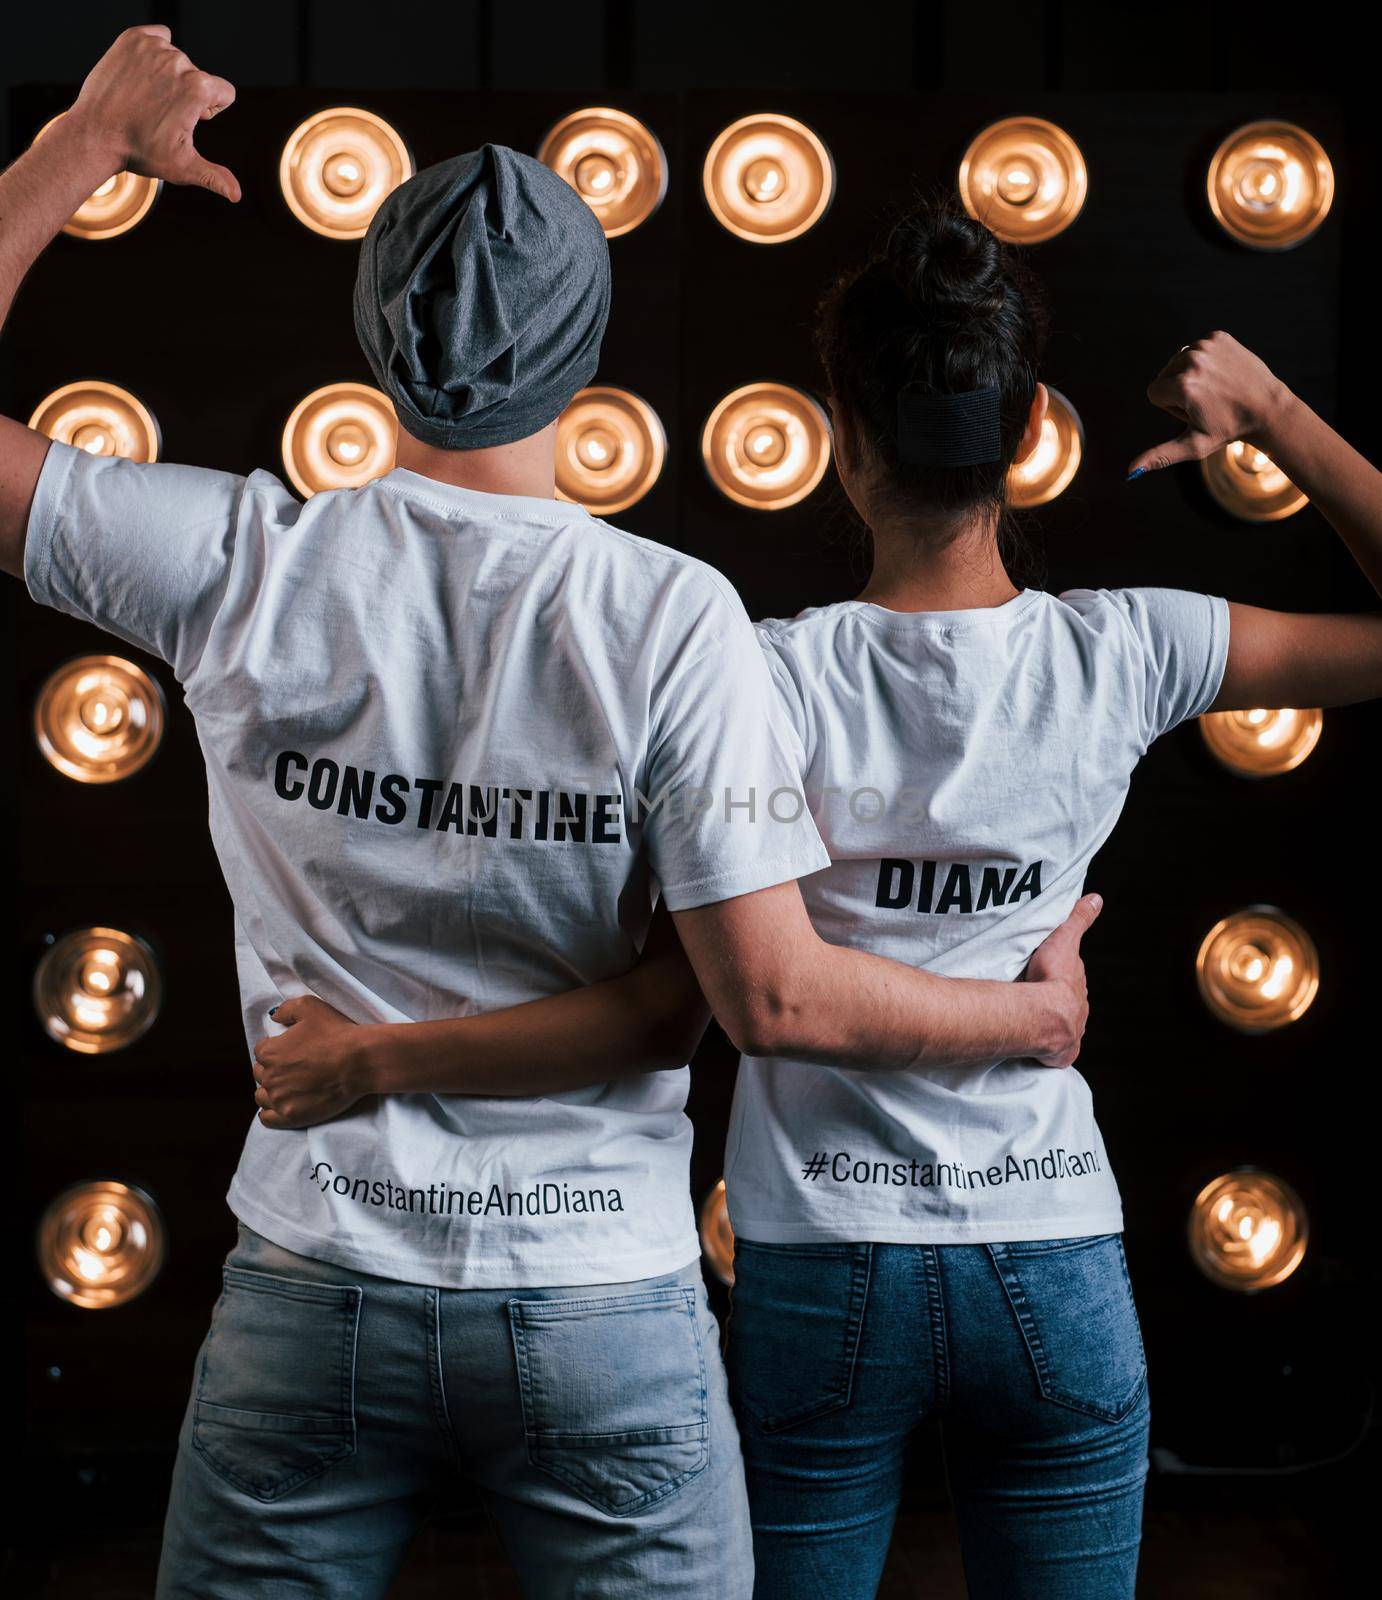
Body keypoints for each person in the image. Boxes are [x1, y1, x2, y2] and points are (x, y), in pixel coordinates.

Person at [0, 30, 1100, 1600]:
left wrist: (82, 143)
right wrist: (1031, 1021)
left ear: (374, 336)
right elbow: (764, 996)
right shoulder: (671, 617)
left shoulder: (240, 561)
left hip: (315, 1277)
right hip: (598, 1300)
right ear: (586, 358)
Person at [262, 204, 1382, 1599]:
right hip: (1051, 1248)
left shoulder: (753, 671)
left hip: (819, 1260)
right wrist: (1265, 405)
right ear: (1030, 434)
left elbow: (727, 987)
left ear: (840, 444)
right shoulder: (1130, 649)